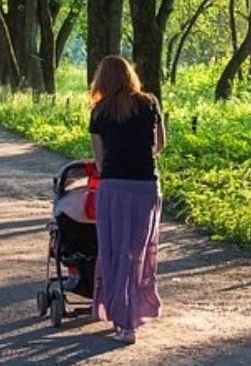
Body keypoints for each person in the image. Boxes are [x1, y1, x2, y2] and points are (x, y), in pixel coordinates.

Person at [88, 55, 166, 345]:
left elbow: (99, 162)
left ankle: (124, 321)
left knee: (115, 252)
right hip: (146, 186)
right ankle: (138, 311)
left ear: (101, 80)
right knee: (139, 252)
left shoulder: (99, 111)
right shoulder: (150, 103)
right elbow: (160, 144)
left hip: (114, 188)